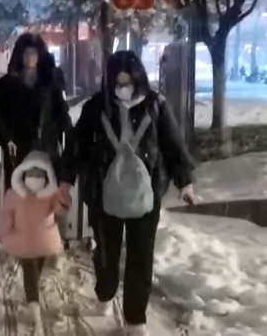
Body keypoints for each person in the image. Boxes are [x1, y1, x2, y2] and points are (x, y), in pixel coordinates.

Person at [58, 51, 196, 336]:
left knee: (140, 256)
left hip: (146, 194)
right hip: (102, 192)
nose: (124, 88)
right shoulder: (97, 107)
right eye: (118, 83)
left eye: (129, 82)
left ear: (139, 78)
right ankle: (105, 292)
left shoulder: (156, 105)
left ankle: (135, 319)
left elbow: (173, 144)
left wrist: (184, 181)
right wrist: (66, 182)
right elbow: (77, 145)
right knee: (106, 252)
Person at [0, 151, 68, 332]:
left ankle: (32, 298)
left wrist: (62, 197)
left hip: (38, 242)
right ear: (23, 173)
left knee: (34, 272)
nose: (34, 178)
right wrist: (5, 232)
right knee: (30, 272)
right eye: (31, 173)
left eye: (39, 174)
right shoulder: (16, 194)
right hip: (29, 241)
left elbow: (61, 209)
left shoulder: (48, 195)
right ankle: (33, 306)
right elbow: (7, 215)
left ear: (47, 176)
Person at [0, 33, 72, 188]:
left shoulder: (50, 84)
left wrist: (69, 139)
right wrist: (7, 137)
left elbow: (61, 113)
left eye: (33, 53)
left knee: (46, 193)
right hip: (19, 150)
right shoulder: (6, 85)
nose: (30, 58)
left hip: (46, 148)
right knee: (19, 193)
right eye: (26, 53)